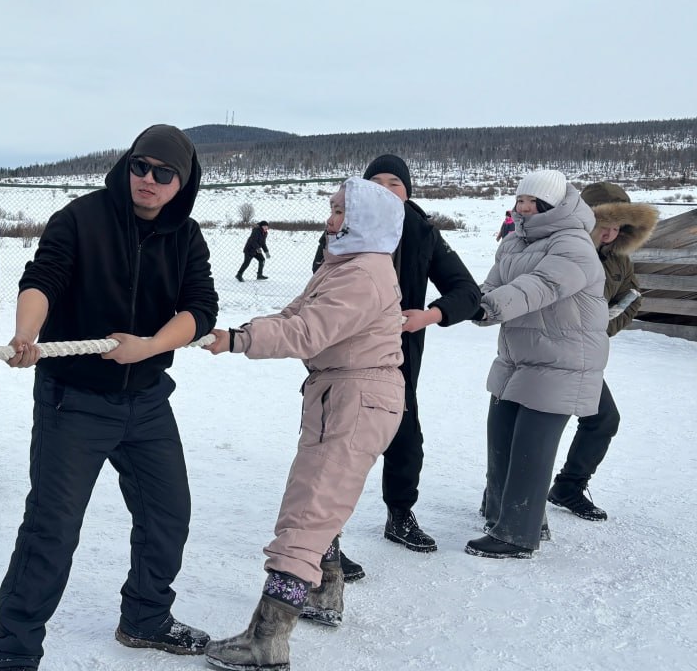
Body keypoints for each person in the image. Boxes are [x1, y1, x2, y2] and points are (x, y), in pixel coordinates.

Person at [0, 124, 218, 671]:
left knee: (169, 515)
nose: (149, 179)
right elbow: (43, 278)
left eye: (164, 173)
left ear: (182, 183)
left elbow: (200, 308)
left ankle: (145, 617)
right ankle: (15, 655)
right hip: (75, 400)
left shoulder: (186, 237)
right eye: (141, 166)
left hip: (148, 399)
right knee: (52, 530)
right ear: (127, 165)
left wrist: (151, 347)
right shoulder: (80, 218)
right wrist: (27, 333)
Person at [204, 177, 406, 671]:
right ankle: (324, 593)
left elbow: (308, 331)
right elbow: (295, 313)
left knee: (309, 509)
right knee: (322, 496)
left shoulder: (364, 275)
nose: (329, 219)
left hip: (354, 396)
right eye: (331, 210)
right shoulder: (346, 266)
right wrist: (240, 331)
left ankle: (266, 639)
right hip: (342, 392)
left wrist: (239, 341)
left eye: (340, 212)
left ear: (365, 222)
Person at [312, 154, 480, 578]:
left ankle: (399, 515)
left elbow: (467, 292)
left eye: (396, 183)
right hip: (345, 361)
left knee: (406, 442)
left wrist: (429, 314)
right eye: (377, 182)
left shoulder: (423, 232)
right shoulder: (343, 229)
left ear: (408, 193)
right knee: (338, 452)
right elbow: (320, 286)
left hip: (399, 362)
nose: (386, 189)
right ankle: (323, 541)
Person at [469, 169, 608, 559]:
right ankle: (500, 512)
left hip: (562, 359)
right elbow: (493, 282)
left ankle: (518, 533)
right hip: (517, 355)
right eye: (520, 201)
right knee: (500, 437)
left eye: (533, 202)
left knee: (532, 448)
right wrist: (471, 299)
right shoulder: (513, 242)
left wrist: (490, 306)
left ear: (554, 204)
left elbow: (543, 286)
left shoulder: (573, 244)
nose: (524, 208)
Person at [548, 181, 657, 522]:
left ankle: (569, 486)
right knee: (537, 427)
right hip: (546, 354)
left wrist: (602, 327)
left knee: (603, 420)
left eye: (616, 226)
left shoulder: (618, 260)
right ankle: (497, 492)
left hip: (585, 357)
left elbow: (632, 296)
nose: (609, 233)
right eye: (602, 224)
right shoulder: (559, 249)